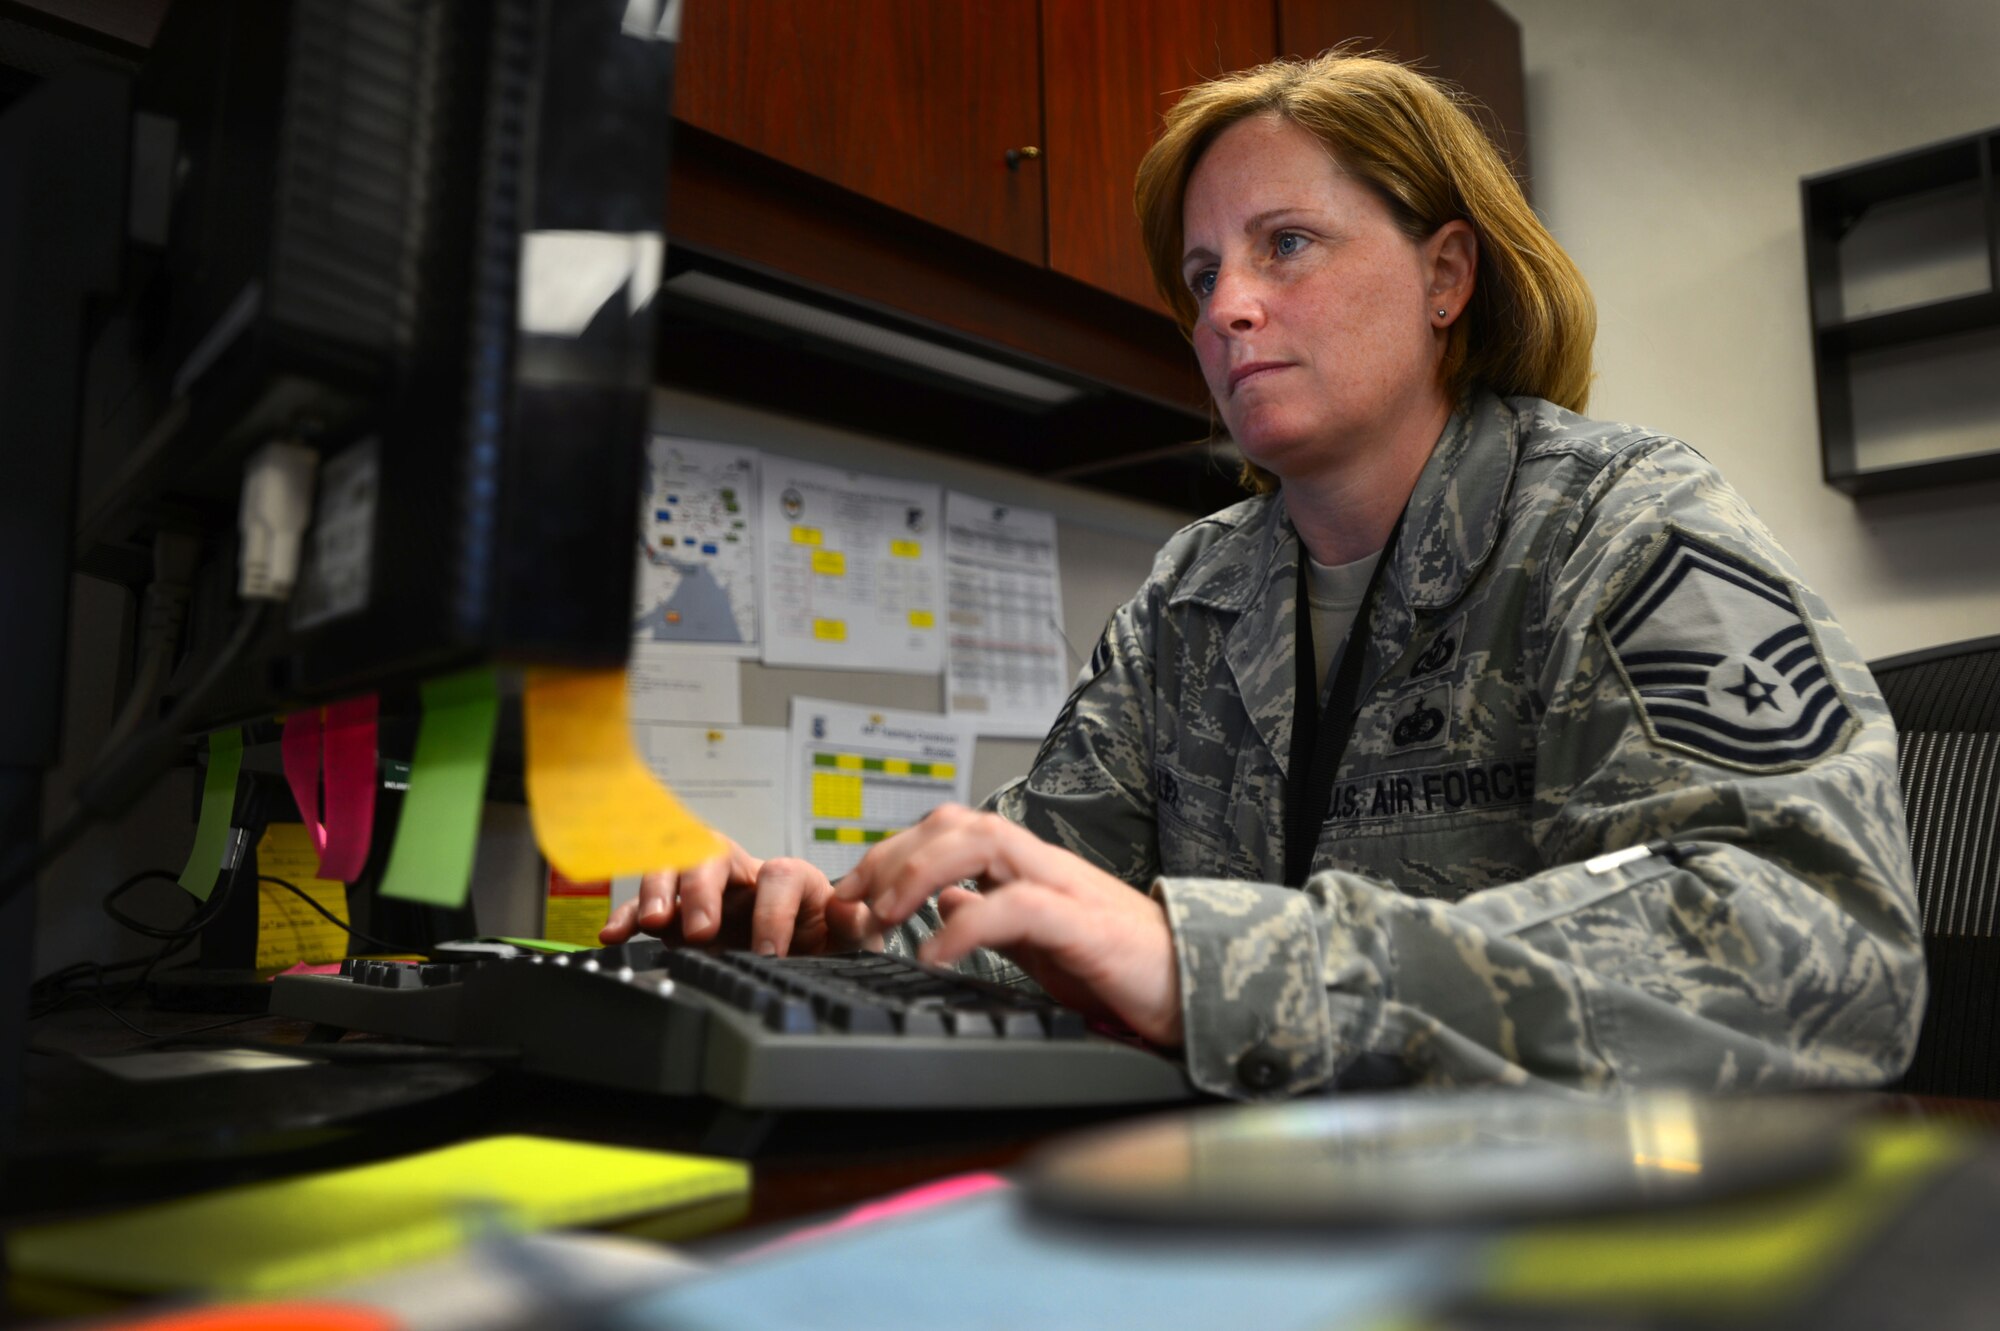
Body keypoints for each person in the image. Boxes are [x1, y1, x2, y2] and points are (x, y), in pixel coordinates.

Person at [602, 52, 1925, 1100]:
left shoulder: (1623, 524)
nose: (1227, 307)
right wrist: (822, 931)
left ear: (1445, 273)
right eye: (1200, 272)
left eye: (1286, 245)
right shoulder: (1196, 593)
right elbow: (1029, 903)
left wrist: (1208, 964)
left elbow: (1816, 947)